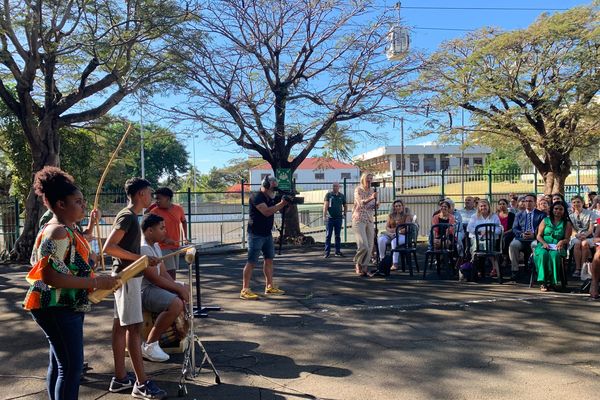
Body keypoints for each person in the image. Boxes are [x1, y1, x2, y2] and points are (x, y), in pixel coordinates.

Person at [23, 167, 118, 400]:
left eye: (83, 201)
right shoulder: (57, 232)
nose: (83, 205)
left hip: (62, 306)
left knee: (59, 364)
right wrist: (96, 281)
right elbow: (50, 276)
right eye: (77, 201)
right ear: (61, 204)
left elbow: (71, 257)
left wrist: (91, 262)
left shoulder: (67, 229)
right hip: (56, 307)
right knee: (70, 369)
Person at [104, 177, 167, 399]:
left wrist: (143, 260)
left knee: (120, 327)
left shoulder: (131, 216)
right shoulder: (128, 216)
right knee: (133, 327)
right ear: (140, 194)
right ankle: (141, 384)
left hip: (128, 276)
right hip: (127, 277)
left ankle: (120, 378)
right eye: (149, 192)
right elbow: (109, 247)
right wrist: (140, 259)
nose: (152, 196)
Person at [139, 214, 189, 362]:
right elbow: (154, 278)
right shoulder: (144, 248)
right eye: (161, 228)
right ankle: (150, 344)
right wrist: (177, 290)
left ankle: (181, 331)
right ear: (149, 231)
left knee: (185, 287)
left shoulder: (154, 245)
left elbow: (164, 272)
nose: (165, 231)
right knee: (176, 303)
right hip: (144, 291)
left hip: (153, 286)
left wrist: (178, 287)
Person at [240, 175, 289, 300]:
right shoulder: (256, 197)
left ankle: (269, 286)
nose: (274, 192)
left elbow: (279, 209)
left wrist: (285, 203)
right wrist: (282, 203)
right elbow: (267, 212)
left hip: (267, 234)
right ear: (266, 186)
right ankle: (245, 290)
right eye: (272, 188)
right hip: (255, 234)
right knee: (251, 262)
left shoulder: (270, 197)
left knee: (269, 259)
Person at [147, 187, 189, 279]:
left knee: (171, 273)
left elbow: (184, 221)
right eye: (156, 198)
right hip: (162, 247)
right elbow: (147, 230)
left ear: (168, 199)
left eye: (159, 198)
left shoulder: (179, 209)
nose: (156, 201)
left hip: (176, 245)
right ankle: (173, 290)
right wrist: (164, 239)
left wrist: (185, 237)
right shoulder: (154, 212)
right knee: (171, 273)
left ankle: (170, 289)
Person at [533, 201, 573, 291]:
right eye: (556, 208)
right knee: (543, 254)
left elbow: (567, 238)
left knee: (554, 255)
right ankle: (543, 282)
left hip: (558, 245)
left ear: (564, 211)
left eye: (560, 209)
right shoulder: (545, 220)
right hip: (544, 244)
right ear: (552, 210)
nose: (558, 211)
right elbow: (538, 236)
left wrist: (562, 242)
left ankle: (553, 282)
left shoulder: (567, 223)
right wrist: (544, 243)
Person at [509, 194, 546, 279]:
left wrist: (534, 235)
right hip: (521, 238)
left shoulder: (541, 215)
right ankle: (515, 270)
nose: (528, 203)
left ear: (535, 203)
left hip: (535, 238)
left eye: (530, 201)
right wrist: (521, 234)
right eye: (526, 201)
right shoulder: (519, 214)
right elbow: (514, 228)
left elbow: (543, 229)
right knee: (513, 245)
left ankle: (536, 270)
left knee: (535, 245)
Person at [467, 199, 501, 277]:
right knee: (476, 248)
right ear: (478, 207)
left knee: (489, 247)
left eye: (485, 205)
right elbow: (469, 228)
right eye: (481, 206)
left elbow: (499, 229)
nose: (483, 207)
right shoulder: (474, 216)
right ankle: (475, 269)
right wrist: (479, 231)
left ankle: (494, 269)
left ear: (488, 206)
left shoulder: (494, 216)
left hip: (490, 239)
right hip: (477, 238)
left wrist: (489, 231)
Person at [352, 173, 377, 277]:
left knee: (370, 245)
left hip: (369, 219)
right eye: (368, 178)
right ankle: (357, 263)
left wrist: (376, 204)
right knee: (363, 245)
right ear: (363, 179)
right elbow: (361, 203)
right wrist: (371, 198)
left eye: (371, 179)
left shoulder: (372, 191)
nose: (369, 180)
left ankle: (365, 267)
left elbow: (371, 205)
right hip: (359, 219)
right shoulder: (358, 190)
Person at [377, 200, 412, 270]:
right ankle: (382, 260)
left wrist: (397, 232)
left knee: (394, 242)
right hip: (391, 234)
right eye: (396, 206)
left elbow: (407, 228)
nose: (398, 207)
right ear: (394, 207)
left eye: (399, 206)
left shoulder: (407, 216)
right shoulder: (390, 216)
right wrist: (390, 232)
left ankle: (395, 263)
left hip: (402, 235)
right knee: (381, 239)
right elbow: (387, 227)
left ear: (402, 206)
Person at [568, 195, 594, 278]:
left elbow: (591, 229)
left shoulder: (590, 213)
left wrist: (585, 235)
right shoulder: (570, 216)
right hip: (576, 236)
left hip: (588, 236)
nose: (576, 204)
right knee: (577, 243)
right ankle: (578, 268)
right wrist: (577, 234)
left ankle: (583, 268)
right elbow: (571, 229)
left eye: (578, 202)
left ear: (582, 203)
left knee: (584, 243)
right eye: (574, 202)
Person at [323, 182, 347, 258]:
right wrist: (324, 216)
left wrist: (345, 214)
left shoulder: (342, 196)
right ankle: (327, 252)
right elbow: (325, 206)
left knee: (337, 235)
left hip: (338, 218)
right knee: (328, 235)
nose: (335, 187)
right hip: (330, 219)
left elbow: (345, 205)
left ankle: (337, 251)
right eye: (334, 186)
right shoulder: (329, 195)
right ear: (332, 187)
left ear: (339, 187)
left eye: (336, 186)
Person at [497, 198, 516, 265]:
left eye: (503, 204)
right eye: (500, 204)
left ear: (507, 205)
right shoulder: (496, 215)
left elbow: (513, 227)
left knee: (505, 238)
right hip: (498, 233)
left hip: (508, 233)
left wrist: (504, 233)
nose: (502, 205)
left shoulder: (512, 215)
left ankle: (505, 258)